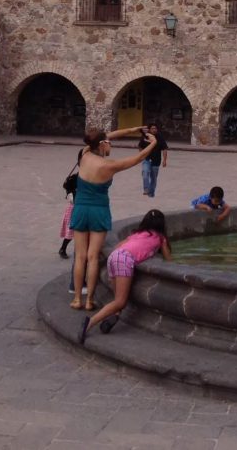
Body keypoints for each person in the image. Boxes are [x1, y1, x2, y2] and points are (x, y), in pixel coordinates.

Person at [69, 126, 158, 311]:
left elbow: (107, 136)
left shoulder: (84, 154)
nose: (111, 144)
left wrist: (133, 129)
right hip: (99, 211)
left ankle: (77, 299)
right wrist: (154, 143)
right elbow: (139, 158)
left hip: (80, 209)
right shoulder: (108, 165)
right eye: (108, 143)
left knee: (80, 256)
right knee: (93, 257)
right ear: (102, 144)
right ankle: (89, 300)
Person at [81, 209, 170, 343]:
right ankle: (90, 323)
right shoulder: (160, 238)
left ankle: (114, 317)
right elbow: (169, 260)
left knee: (118, 300)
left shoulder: (136, 234)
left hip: (114, 257)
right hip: (124, 260)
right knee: (120, 301)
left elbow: (118, 246)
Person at [138, 125, 169, 197]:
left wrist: (164, 160)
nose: (154, 130)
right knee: (145, 173)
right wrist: (141, 155)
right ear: (149, 129)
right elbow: (140, 146)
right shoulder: (145, 137)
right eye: (152, 128)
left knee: (154, 178)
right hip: (146, 159)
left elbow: (164, 149)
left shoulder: (160, 138)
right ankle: (146, 189)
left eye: (155, 128)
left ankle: (151, 193)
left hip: (156, 161)